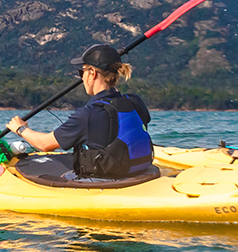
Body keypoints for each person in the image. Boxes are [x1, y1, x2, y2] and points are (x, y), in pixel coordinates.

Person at [8, 43, 156, 180]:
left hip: (105, 179)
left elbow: (44, 144)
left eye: (82, 71)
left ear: (92, 73)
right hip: (138, 171)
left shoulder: (90, 113)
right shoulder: (134, 101)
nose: (82, 77)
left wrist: (20, 129)